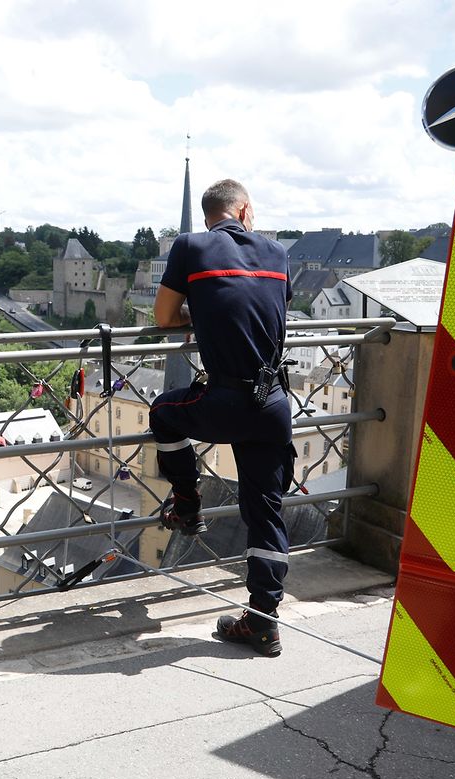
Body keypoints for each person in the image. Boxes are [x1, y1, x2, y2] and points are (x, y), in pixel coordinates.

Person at [150, 178, 294, 657]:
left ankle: (188, 502)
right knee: (265, 509)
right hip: (273, 401)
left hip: (227, 400)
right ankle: (264, 621)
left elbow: (165, 317)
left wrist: (200, 317)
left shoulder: (190, 246)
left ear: (211, 215)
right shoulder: (276, 253)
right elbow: (263, 309)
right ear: (246, 211)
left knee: (164, 414)